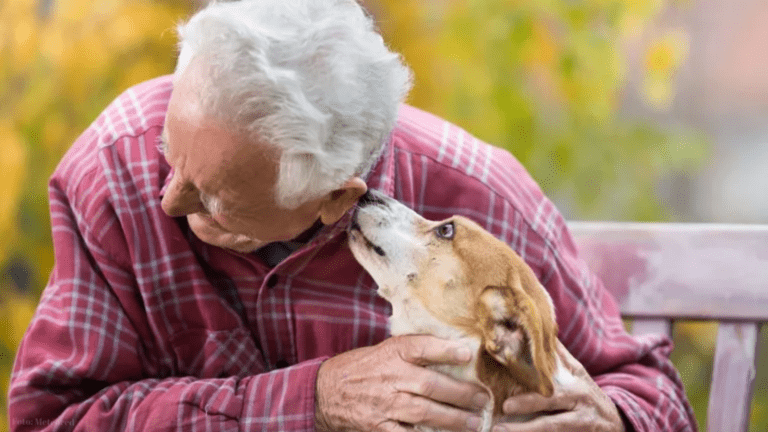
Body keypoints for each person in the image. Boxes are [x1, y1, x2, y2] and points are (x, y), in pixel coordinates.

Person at [8, 0, 697, 431]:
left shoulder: (477, 202)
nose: (169, 199)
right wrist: (311, 401)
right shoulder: (115, 169)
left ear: (339, 196)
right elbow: (52, 421)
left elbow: (655, 397)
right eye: (172, 151)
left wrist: (613, 419)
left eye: (216, 196)